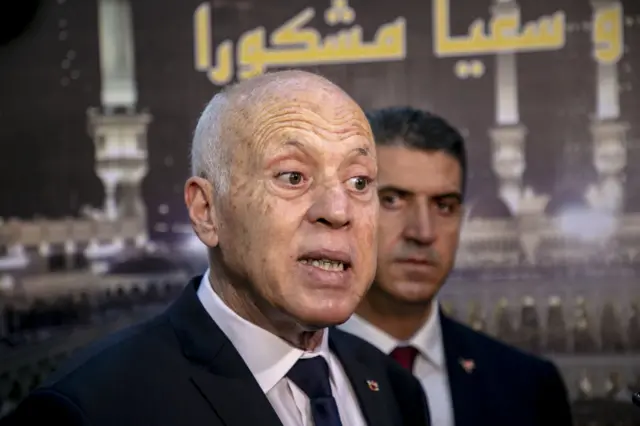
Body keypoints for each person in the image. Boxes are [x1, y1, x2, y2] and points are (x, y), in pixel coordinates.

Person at [1, 73, 430, 426]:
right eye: (293, 177)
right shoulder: (92, 410)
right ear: (206, 211)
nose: (338, 211)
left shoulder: (393, 388)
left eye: (359, 182)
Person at [339, 106, 573, 426]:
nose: (422, 232)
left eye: (444, 205)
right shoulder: (286, 375)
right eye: (392, 199)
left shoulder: (528, 386)